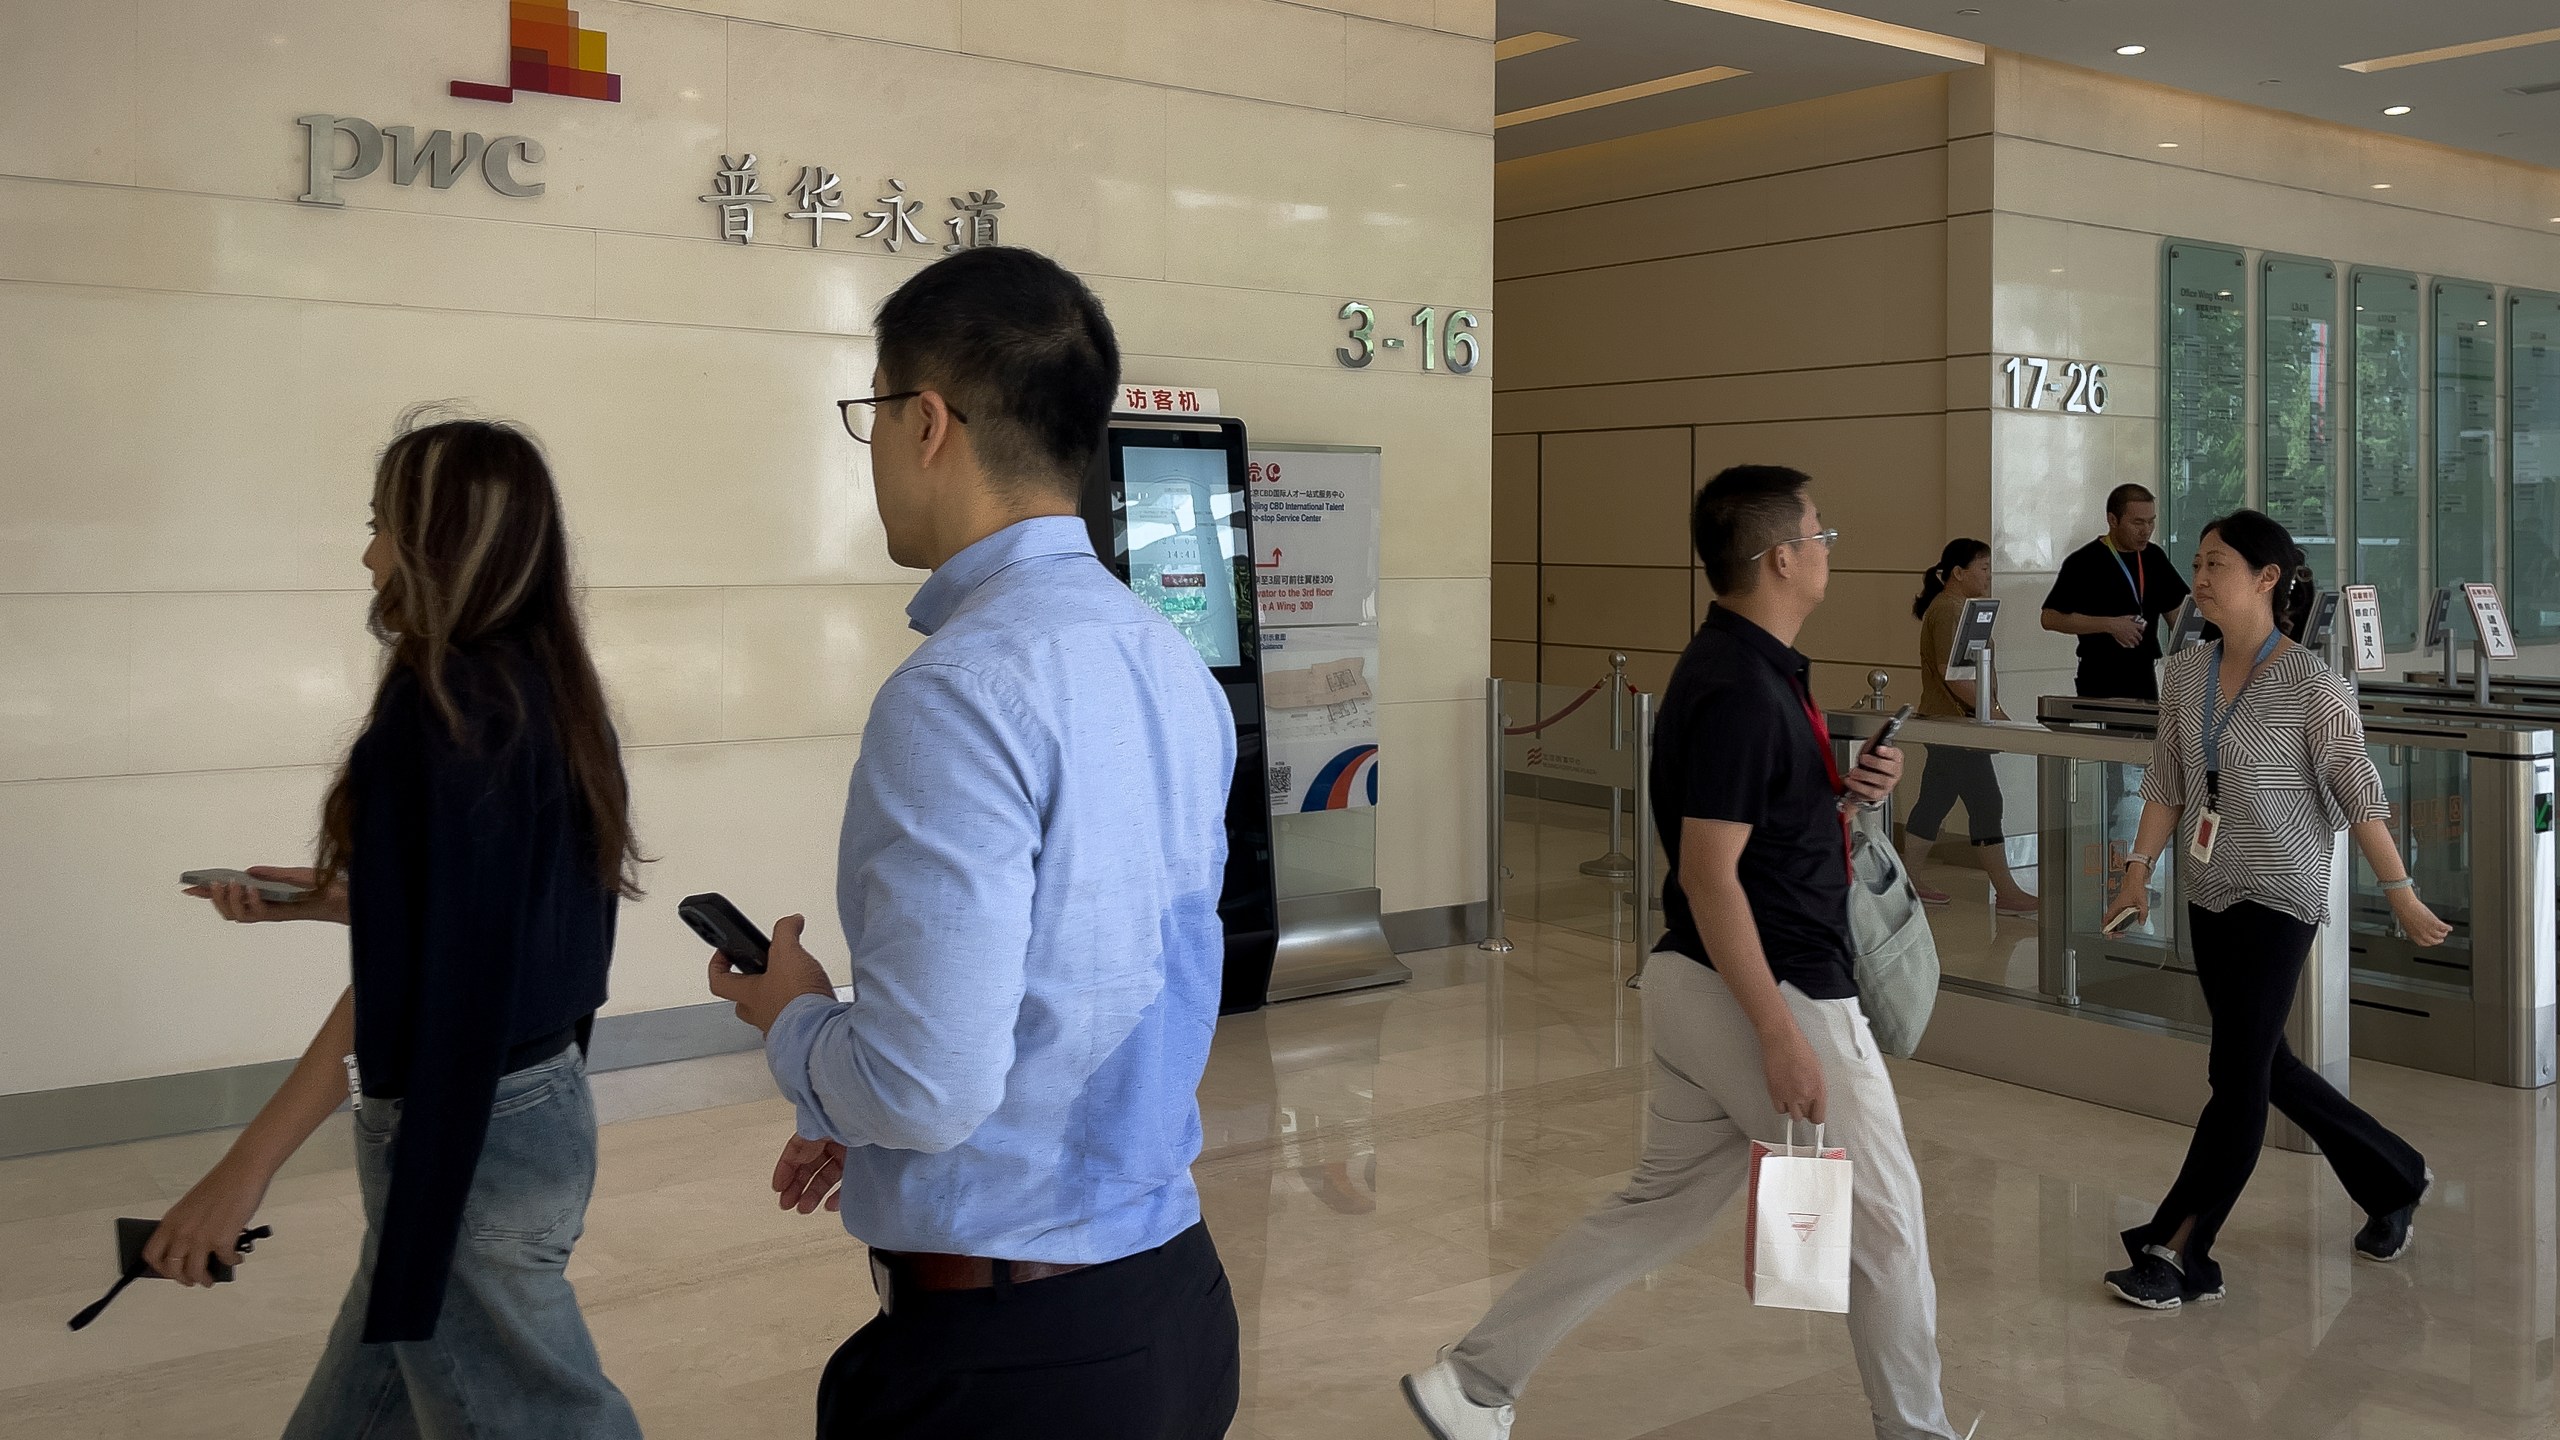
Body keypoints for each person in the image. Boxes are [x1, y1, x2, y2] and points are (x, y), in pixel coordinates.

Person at [703, 247, 1241, 1440]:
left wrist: (793, 1020)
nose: (878, 453)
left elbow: (928, 1083)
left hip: (1011, 1369)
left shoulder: (959, 689)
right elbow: (1097, 978)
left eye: (875, 415)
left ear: (927, 421)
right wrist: (865, 1117)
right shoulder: (1167, 660)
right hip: (1169, 1307)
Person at [1402, 466, 1973, 1440]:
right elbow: (1711, 874)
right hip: (1768, 992)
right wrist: (1776, 1036)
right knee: (1885, 1226)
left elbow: (1758, 845)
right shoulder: (1739, 686)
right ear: (1779, 557)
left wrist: (1853, 799)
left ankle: (1473, 1382)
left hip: (1702, 987)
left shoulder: (1750, 671)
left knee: (1654, 1208)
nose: (1829, 544)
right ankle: (1915, 1432)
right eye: (1818, 531)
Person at [160, 417, 644, 1438]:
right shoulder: (550, 695)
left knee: (538, 1419)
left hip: (466, 1131)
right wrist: (360, 900)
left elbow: (445, 994)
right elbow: (500, 928)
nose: (369, 551)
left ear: (440, 541)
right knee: (363, 1408)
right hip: (534, 1107)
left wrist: (237, 1175)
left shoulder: (451, 714)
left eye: (384, 524)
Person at [2098, 509, 2446, 1310]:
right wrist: (2135, 870)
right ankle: (2395, 1175)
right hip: (2208, 887)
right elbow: (2167, 781)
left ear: (2266, 578)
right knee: (2261, 1065)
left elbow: (2360, 795)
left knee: (2236, 1073)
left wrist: (2400, 891)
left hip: (2281, 895)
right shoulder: (2185, 672)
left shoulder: (2314, 684)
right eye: (2199, 561)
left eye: (2217, 562)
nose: (2201, 575)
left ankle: (2179, 1249)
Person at [1906, 539, 2036, 915]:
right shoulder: (1948, 611)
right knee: (1985, 802)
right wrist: (1992, 712)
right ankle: (2007, 891)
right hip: (1955, 726)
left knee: (1937, 801)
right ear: (1959, 573)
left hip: (1956, 724)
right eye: (1982, 567)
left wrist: (1991, 710)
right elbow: (1956, 675)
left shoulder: (1959, 608)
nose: (1988, 575)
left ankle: (1909, 880)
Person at [2041, 483, 2191, 701]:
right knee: (2108, 734)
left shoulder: (2154, 557)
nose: (2146, 531)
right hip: (2101, 674)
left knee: (2146, 732)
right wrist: (2110, 625)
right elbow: (2050, 618)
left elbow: (2176, 617)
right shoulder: (2084, 562)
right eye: (2137, 522)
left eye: (2151, 522)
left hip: (2144, 673)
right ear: (2113, 520)